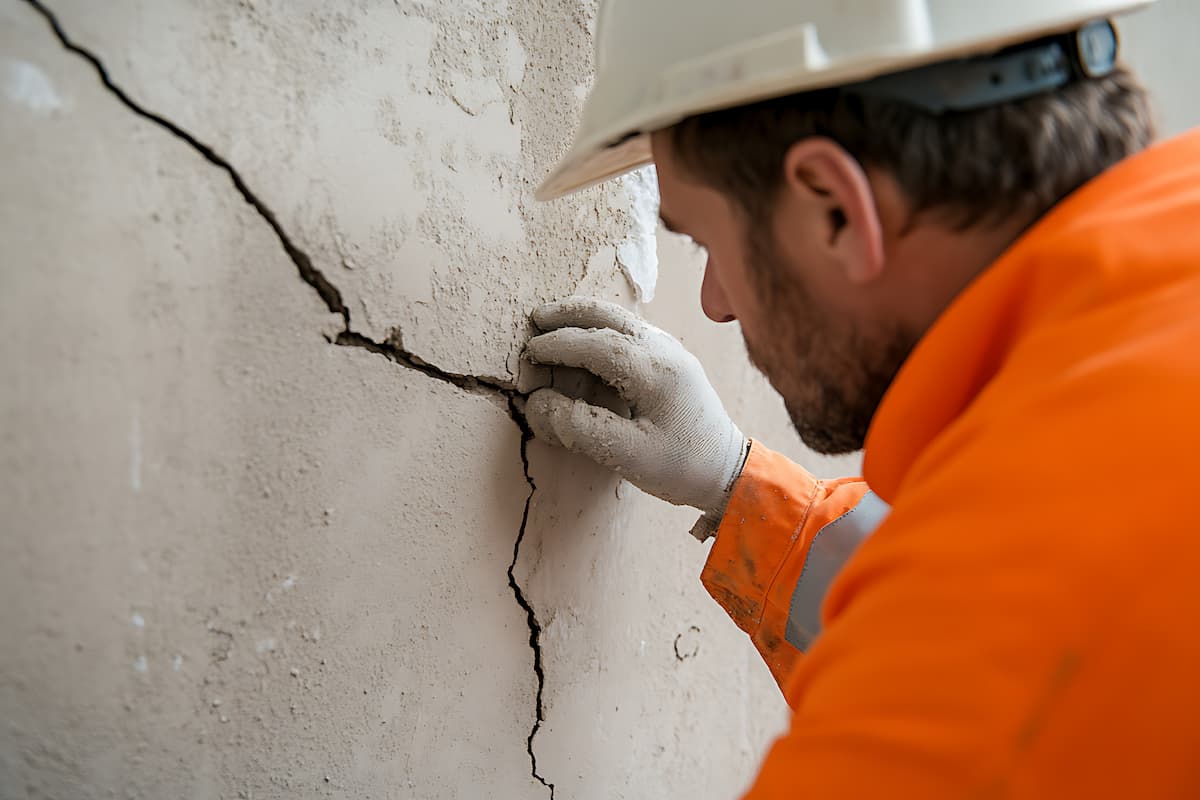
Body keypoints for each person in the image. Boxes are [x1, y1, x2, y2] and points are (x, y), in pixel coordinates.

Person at [521, 0, 1200, 796]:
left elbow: (983, 645)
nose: (714, 303)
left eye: (707, 241)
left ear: (835, 209)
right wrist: (741, 487)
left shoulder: (993, 671)